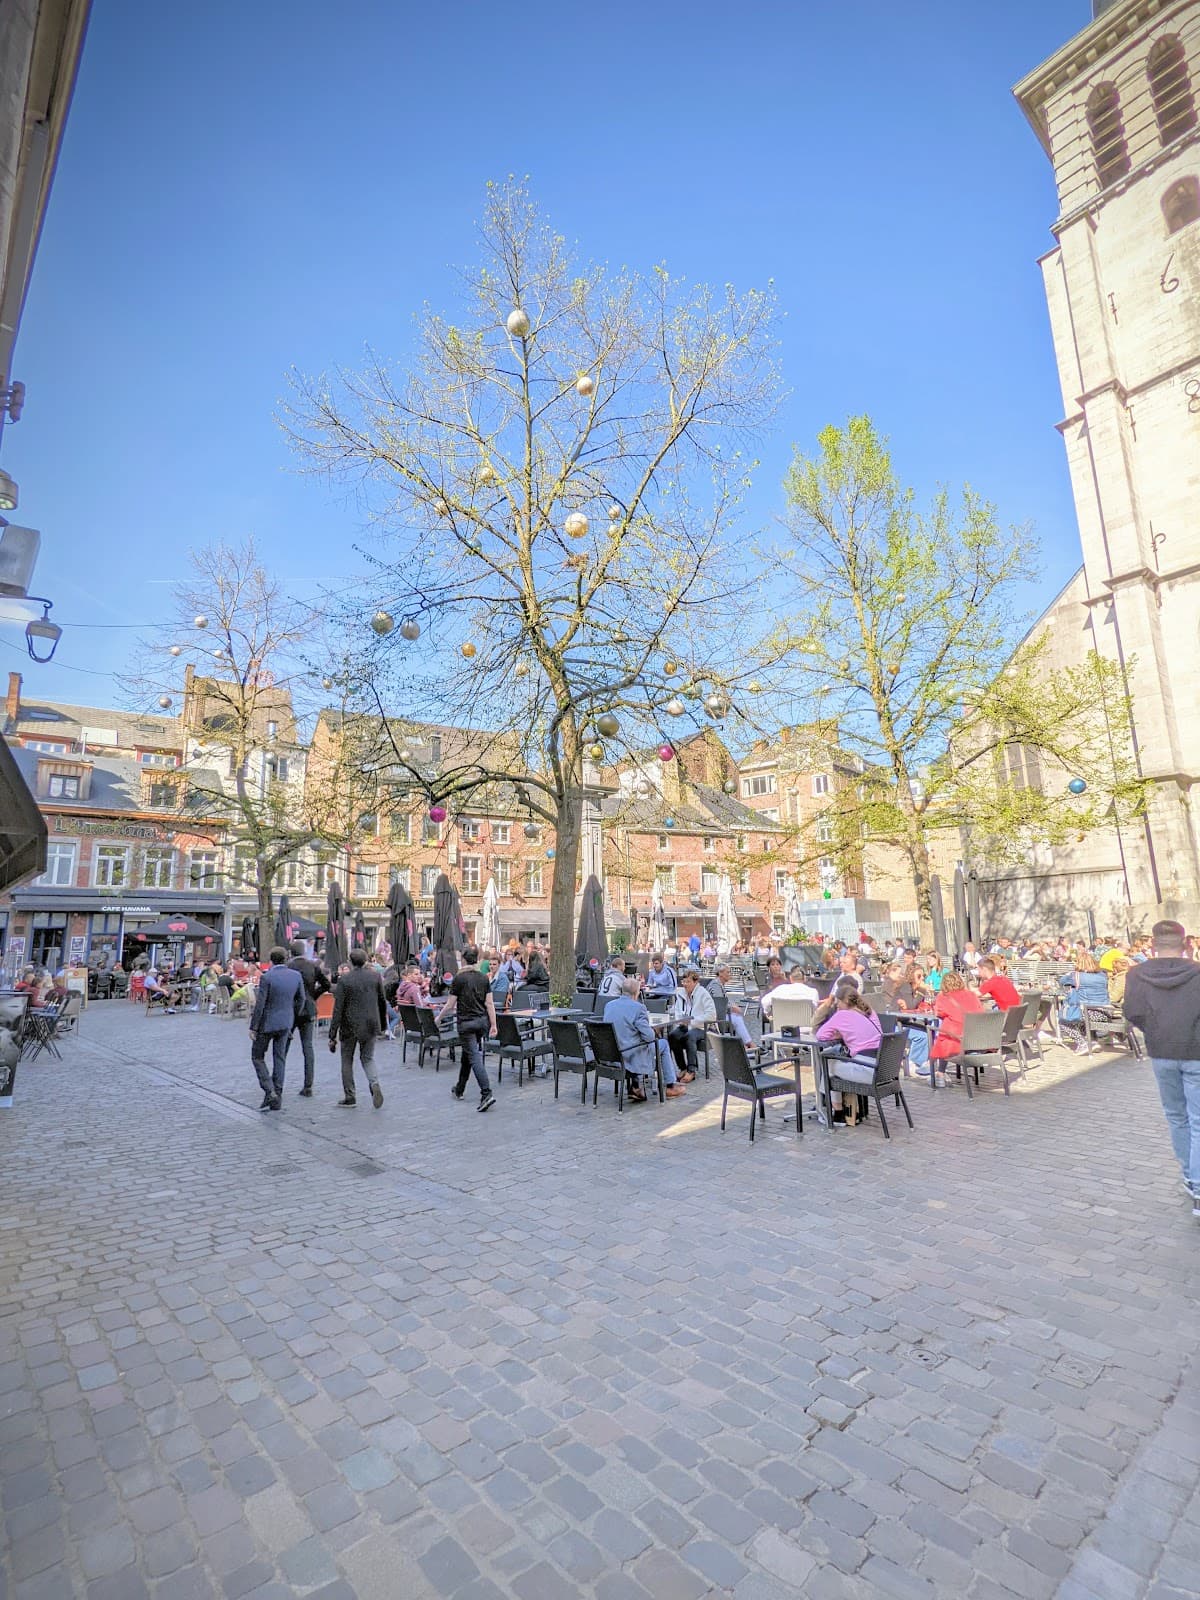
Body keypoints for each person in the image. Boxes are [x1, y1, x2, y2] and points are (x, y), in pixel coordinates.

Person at [1121, 921, 1200, 1214]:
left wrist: (1155, 1031)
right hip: (1195, 1051)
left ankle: (1191, 1177)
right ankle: (1197, 1184)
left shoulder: (1136, 974)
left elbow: (1132, 1012)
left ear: (1153, 945)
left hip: (1162, 1052)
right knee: (1197, 1120)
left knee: (1177, 1117)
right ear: (1186, 944)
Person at [437, 945, 497, 1111]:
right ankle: (460, 1088)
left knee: (474, 1056)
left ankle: (486, 1093)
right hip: (481, 1022)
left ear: (463, 960)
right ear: (476, 960)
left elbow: (450, 1005)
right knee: (468, 1054)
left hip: (466, 1023)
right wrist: (493, 1024)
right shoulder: (484, 978)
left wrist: (439, 1018)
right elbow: (489, 1003)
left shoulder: (459, 979)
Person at [605, 975, 684, 1101]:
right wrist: (653, 1030)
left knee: (633, 1039)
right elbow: (649, 1037)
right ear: (636, 993)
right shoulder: (638, 1008)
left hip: (612, 1054)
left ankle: (636, 1086)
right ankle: (670, 1085)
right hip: (630, 1054)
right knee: (663, 1044)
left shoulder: (609, 1006)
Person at [328, 948, 387, 1108]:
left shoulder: (345, 980)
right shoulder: (375, 976)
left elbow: (338, 1009)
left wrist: (332, 1034)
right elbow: (382, 1001)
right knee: (368, 1058)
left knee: (347, 1060)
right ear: (366, 960)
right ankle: (374, 1083)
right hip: (371, 1023)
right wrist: (382, 1025)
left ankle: (350, 1096)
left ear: (350, 962)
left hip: (350, 1025)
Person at [249, 947, 305, 1111]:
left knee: (257, 1056)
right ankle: (277, 1096)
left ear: (271, 960)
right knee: (280, 1058)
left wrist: (254, 1026)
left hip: (267, 1023)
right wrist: (292, 1016)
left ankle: (269, 1090)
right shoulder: (296, 976)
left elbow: (261, 1004)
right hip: (285, 1022)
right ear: (286, 959)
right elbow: (301, 999)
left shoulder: (267, 977)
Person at [286, 939, 331, 1096]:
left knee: (283, 1046)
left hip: (291, 1009)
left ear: (291, 953)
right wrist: (313, 996)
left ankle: (277, 1082)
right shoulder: (312, 966)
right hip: (308, 1009)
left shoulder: (288, 967)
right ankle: (308, 1085)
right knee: (308, 1047)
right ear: (304, 951)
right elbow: (326, 985)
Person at [667, 968, 718, 1083]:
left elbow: (711, 1016)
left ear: (695, 982)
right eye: (684, 981)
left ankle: (691, 1070)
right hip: (687, 1025)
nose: (685, 984)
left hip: (704, 1027)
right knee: (672, 1035)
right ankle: (683, 1068)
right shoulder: (681, 993)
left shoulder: (703, 993)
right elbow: (677, 1010)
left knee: (690, 1035)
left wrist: (692, 1021)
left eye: (688, 982)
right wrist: (681, 1019)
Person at [931, 971, 984, 1076]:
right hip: (975, 1038)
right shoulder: (971, 995)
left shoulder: (943, 997)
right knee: (949, 1025)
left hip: (955, 1041)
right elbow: (981, 1011)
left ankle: (940, 1072)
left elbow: (938, 1013)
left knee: (945, 1030)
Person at [1060, 953, 1111, 1054]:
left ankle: (1082, 1044)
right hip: (1105, 1012)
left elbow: (1062, 981)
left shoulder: (1076, 975)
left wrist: (1069, 973)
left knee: (1064, 1021)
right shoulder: (1102, 975)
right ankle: (1093, 1042)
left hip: (1089, 1012)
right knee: (1082, 1019)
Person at [707, 963, 754, 1050]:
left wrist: (733, 1006)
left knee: (737, 1017)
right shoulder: (715, 985)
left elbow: (725, 1001)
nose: (730, 974)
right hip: (715, 1017)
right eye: (728, 972)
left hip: (718, 1014)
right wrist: (732, 1008)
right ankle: (749, 1044)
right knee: (736, 1018)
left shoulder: (719, 984)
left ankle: (745, 1045)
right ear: (720, 973)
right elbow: (720, 1004)